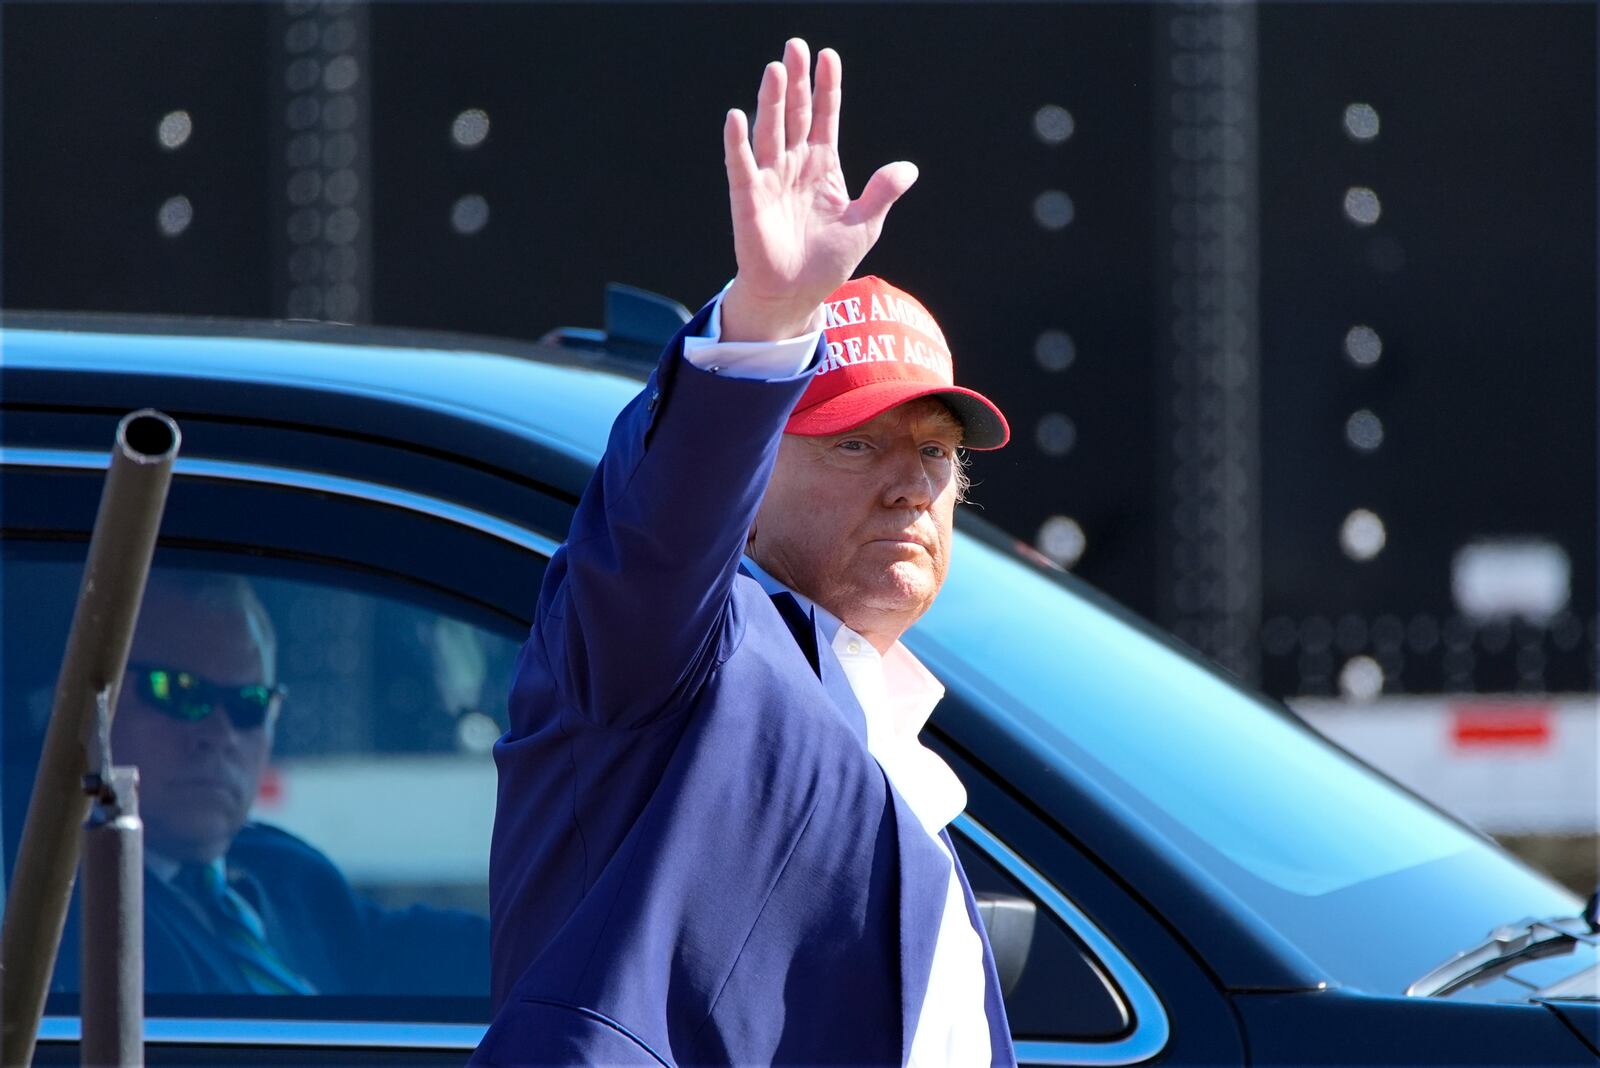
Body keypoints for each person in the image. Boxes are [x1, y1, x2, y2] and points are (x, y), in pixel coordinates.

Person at [476, 40, 1016, 1066]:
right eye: (856, 444)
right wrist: (766, 325)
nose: (910, 484)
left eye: (936, 452)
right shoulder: (681, 660)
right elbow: (659, 528)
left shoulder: (884, 724)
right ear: (748, 479)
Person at [54, 569, 486, 996]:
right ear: (95, 709)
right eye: (180, 691)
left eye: (249, 705)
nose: (219, 735)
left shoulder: (284, 871)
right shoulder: (61, 914)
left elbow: (413, 954)